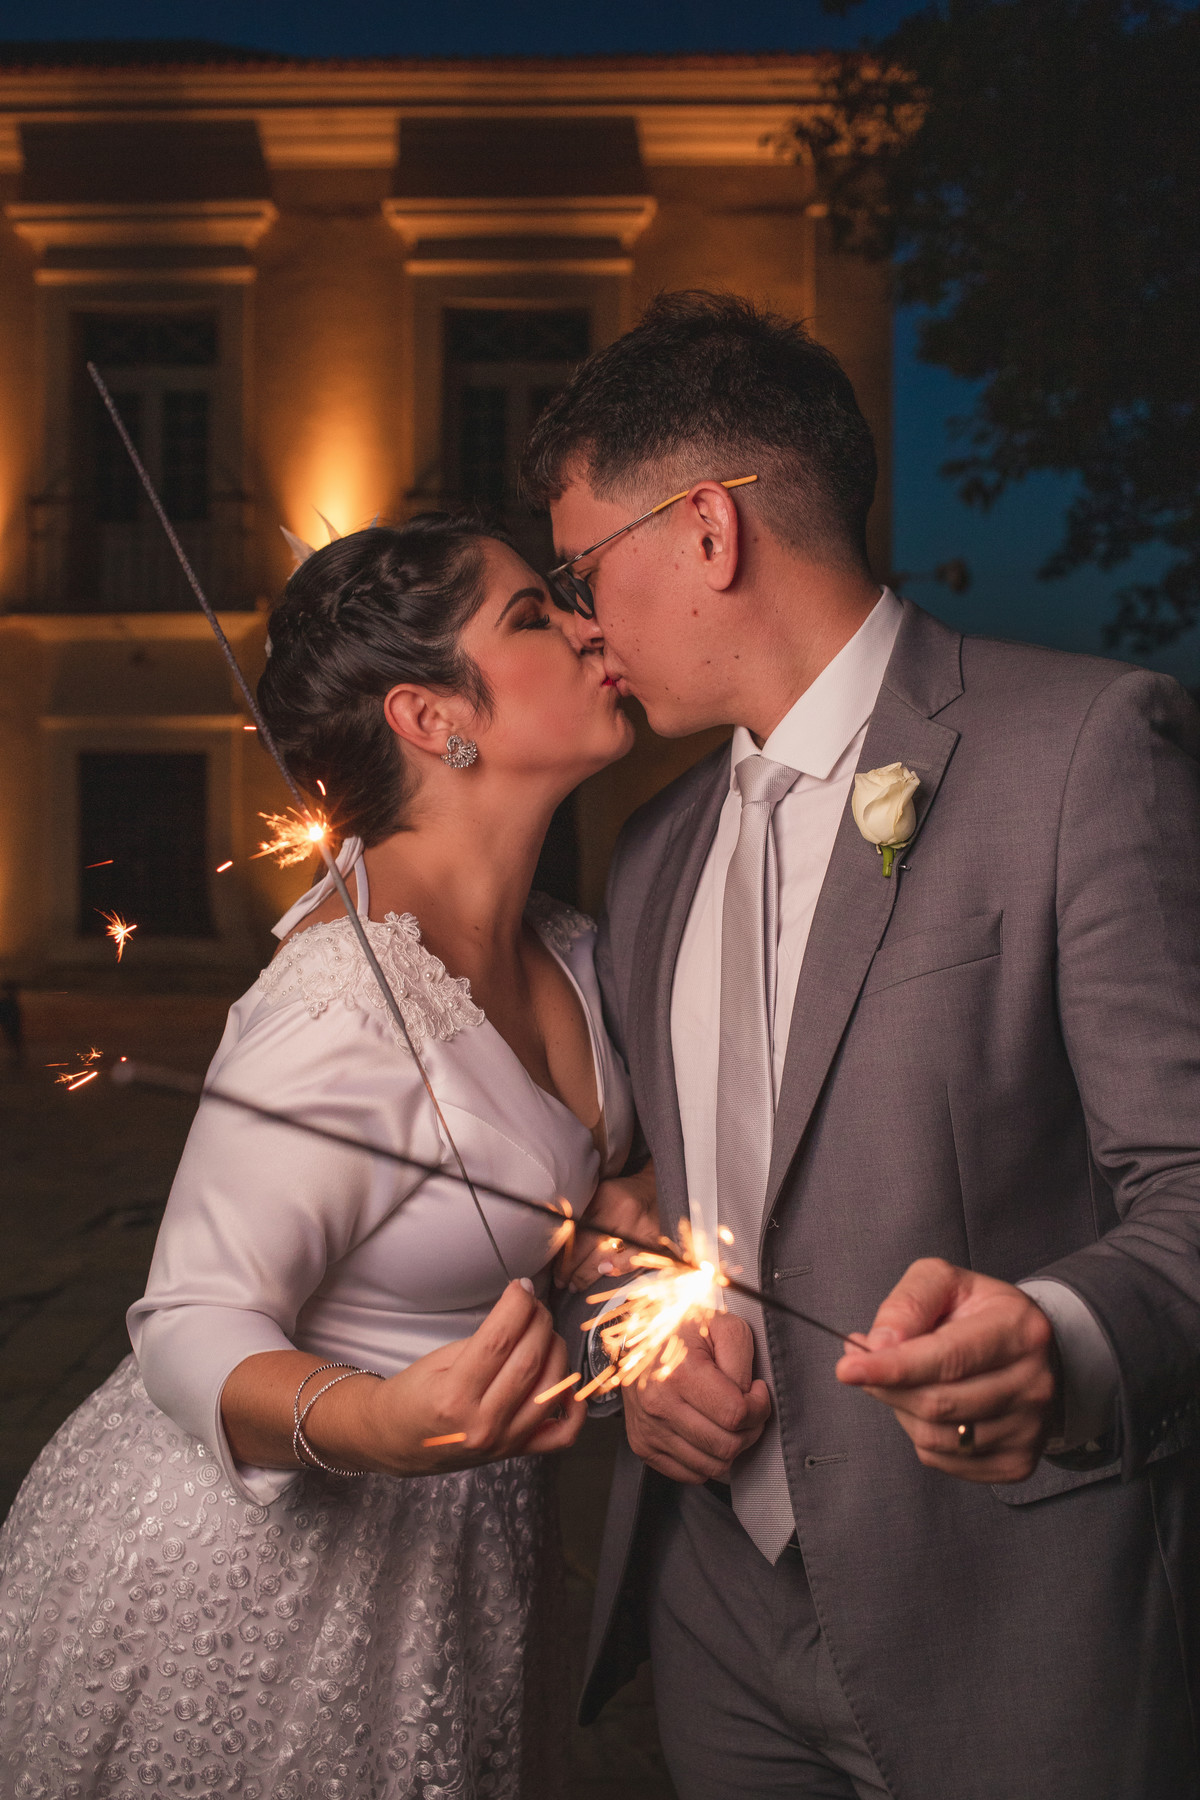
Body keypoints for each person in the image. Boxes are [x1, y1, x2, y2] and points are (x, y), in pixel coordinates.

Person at [521, 292, 1200, 1799]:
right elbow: (662, 1204)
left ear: (709, 531)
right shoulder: (651, 850)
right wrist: (644, 1364)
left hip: (1013, 1619)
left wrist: (1065, 1338)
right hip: (713, 1616)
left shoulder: (1082, 749)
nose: (579, 622)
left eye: (583, 569)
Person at [0, 516, 654, 1800]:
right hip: (268, 1576)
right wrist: (379, 1423)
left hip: (470, 1559)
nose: (590, 629)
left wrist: (617, 1215)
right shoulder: (335, 1006)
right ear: (429, 716)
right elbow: (187, 1323)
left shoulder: (573, 949)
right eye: (535, 616)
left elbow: (554, 1199)